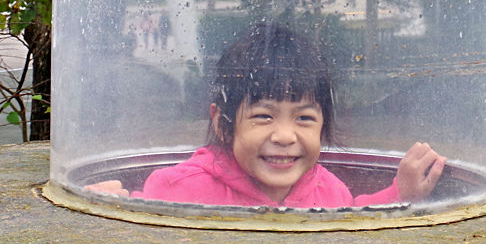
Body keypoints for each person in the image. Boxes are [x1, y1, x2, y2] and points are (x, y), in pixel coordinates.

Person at [88, 21, 445, 208]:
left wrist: (402, 194)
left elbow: (352, 214)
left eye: (304, 118)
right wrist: (112, 206)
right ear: (222, 124)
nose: (285, 136)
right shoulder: (179, 188)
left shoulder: (329, 191)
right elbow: (144, 229)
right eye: (263, 116)